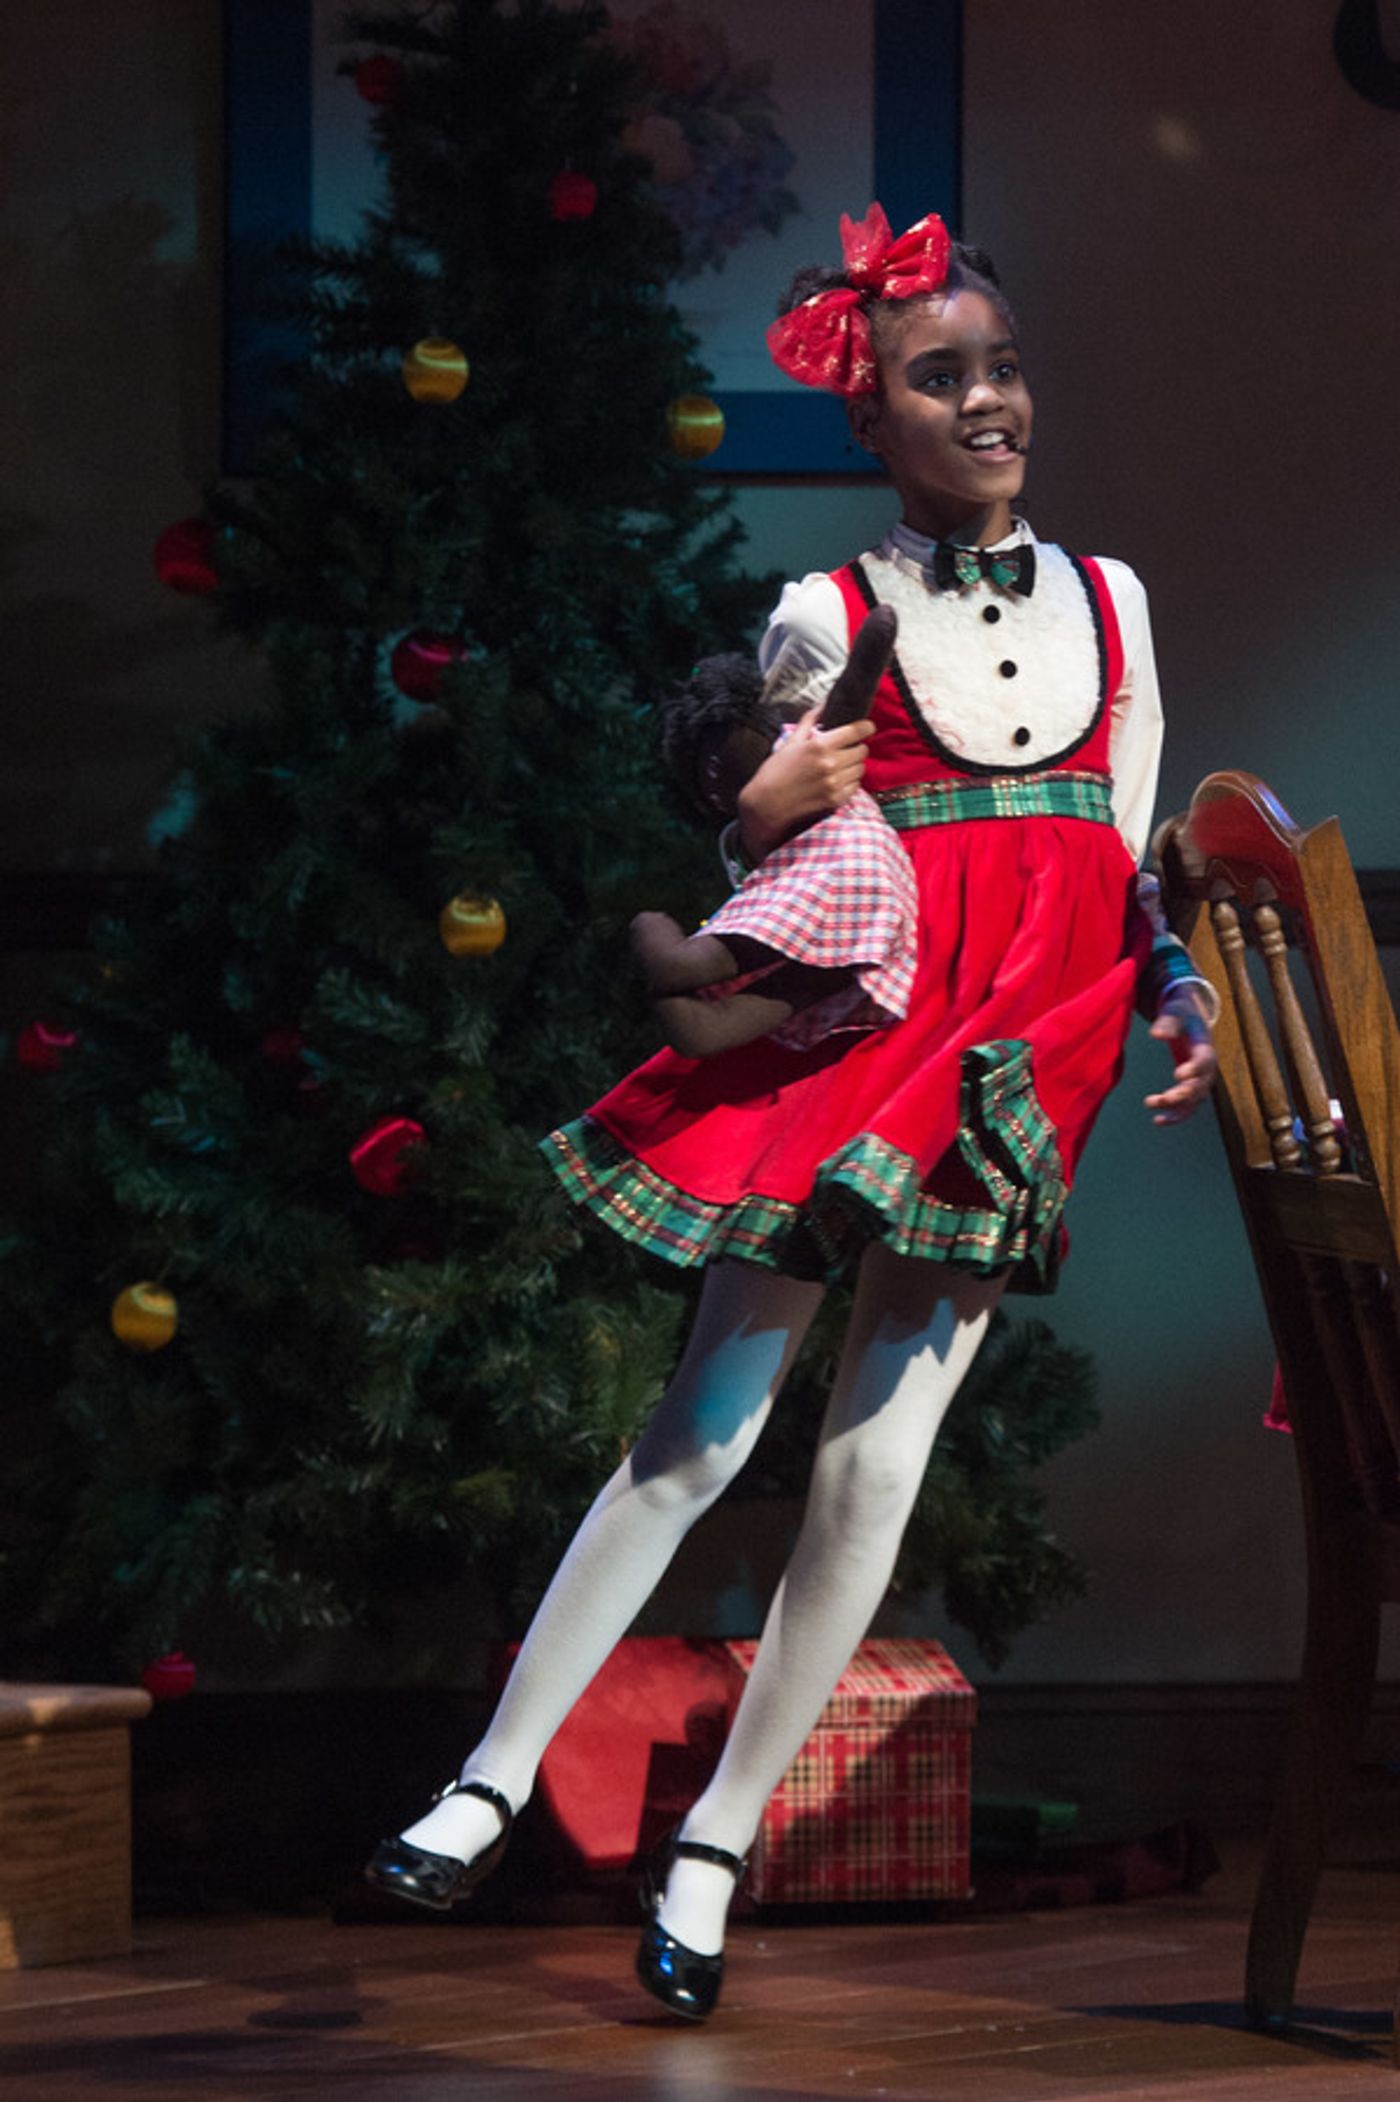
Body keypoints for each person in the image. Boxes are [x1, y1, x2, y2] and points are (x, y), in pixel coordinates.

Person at [365, 201, 1217, 2020]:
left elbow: (1128, 848)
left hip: (1015, 1060)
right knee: (703, 1426)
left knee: (875, 1467)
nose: (985, 401)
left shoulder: (1116, 600)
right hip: (859, 1042)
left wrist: (1180, 991)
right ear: (873, 417)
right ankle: (489, 1779)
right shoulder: (826, 612)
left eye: (1002, 367)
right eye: (939, 376)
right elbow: (773, 866)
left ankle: (717, 1842)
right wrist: (755, 805)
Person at [632, 609, 918, 1057]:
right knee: (808, 976)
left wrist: (870, 651)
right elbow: (848, 704)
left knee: (695, 961)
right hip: (878, 896)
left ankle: (667, 953)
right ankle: (705, 1026)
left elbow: (849, 703)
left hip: (829, 875)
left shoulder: (797, 745)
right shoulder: (791, 757)